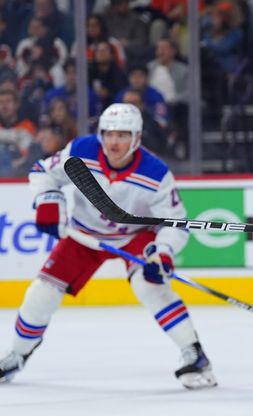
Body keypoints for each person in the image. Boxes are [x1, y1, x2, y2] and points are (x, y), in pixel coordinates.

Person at [0, 103, 217, 390]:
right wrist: (49, 200)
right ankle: (17, 354)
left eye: (123, 135)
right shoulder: (82, 151)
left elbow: (175, 221)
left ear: (137, 137)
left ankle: (194, 354)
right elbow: (42, 172)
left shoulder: (155, 173)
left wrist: (163, 252)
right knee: (42, 293)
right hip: (84, 235)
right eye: (109, 134)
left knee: (150, 286)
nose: (114, 142)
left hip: (134, 235)